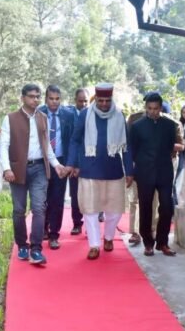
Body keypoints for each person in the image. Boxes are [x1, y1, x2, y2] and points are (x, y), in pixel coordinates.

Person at [0, 84, 66, 265]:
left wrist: (56, 165)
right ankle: (22, 245)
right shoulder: (10, 118)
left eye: (37, 96)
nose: (35, 99)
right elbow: (4, 145)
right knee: (19, 209)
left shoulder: (43, 118)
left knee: (39, 208)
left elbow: (47, 146)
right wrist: (6, 168)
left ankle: (36, 249)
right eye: (31, 96)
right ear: (22, 98)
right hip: (17, 170)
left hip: (39, 169)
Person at [66, 83, 133, 260]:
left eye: (107, 100)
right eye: (100, 100)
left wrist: (129, 170)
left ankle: (109, 237)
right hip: (89, 169)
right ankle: (94, 245)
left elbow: (126, 146)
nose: (104, 104)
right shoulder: (85, 115)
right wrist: (71, 163)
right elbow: (75, 140)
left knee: (115, 211)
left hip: (113, 170)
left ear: (111, 99)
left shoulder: (119, 115)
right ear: (95, 99)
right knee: (90, 210)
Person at [129, 91, 178, 257]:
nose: (152, 111)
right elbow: (132, 150)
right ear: (145, 107)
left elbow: (170, 147)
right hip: (144, 173)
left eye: (155, 108)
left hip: (165, 172)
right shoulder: (137, 126)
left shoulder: (170, 125)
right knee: (145, 208)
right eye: (149, 108)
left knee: (167, 207)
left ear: (161, 108)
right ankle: (148, 243)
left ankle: (162, 243)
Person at [38, 85, 75, 249]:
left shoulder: (69, 115)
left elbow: (74, 140)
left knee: (57, 199)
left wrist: (71, 163)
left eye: (57, 99)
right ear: (46, 99)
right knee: (42, 198)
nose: (54, 102)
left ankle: (54, 234)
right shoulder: (38, 113)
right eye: (51, 98)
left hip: (61, 162)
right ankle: (43, 228)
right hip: (42, 162)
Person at [66, 88, 90, 235]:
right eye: (80, 101)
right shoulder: (69, 116)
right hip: (74, 163)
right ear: (75, 100)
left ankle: (90, 225)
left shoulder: (93, 114)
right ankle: (77, 223)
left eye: (86, 101)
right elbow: (72, 142)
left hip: (90, 163)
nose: (83, 104)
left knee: (91, 195)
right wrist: (73, 164)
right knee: (75, 195)